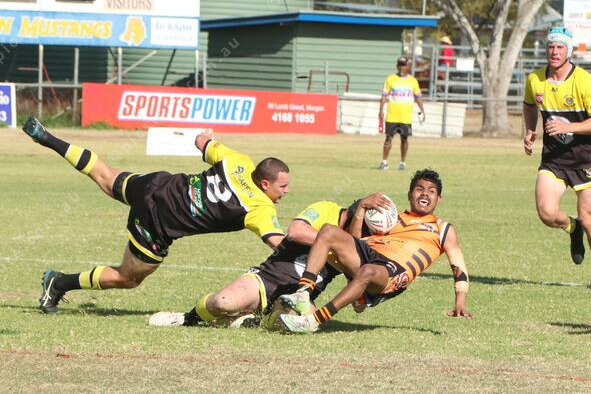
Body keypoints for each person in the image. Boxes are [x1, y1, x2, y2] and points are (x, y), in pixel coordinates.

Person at [22, 116, 290, 314]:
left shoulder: (239, 161)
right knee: (128, 278)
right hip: (156, 222)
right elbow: (281, 245)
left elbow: (201, 141)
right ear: (265, 183)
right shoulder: (260, 209)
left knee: (106, 176)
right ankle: (59, 282)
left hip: (158, 185)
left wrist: (207, 135)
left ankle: (47, 138)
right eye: (283, 187)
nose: (286, 192)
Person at [147, 195, 390, 328]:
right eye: (364, 230)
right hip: (268, 278)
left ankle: (253, 320)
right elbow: (295, 231)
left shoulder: (355, 244)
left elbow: (358, 293)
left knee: (300, 324)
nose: (363, 238)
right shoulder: (326, 209)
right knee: (222, 302)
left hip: (299, 297)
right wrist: (329, 242)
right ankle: (187, 318)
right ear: (353, 214)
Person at [276, 169, 472, 333]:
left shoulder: (443, 229)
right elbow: (356, 241)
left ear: (438, 199)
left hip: (394, 270)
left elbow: (458, 266)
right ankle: (303, 294)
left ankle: (314, 320)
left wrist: (460, 302)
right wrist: (361, 208)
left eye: (431, 191)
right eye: (419, 189)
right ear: (409, 194)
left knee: (368, 270)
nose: (424, 194)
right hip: (370, 255)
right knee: (328, 230)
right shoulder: (390, 218)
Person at [523, 26, 591, 288]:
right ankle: (573, 227)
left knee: (589, 218)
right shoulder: (535, 79)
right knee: (547, 213)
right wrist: (530, 130)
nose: (554, 52)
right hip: (553, 160)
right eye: (551, 47)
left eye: (560, 47)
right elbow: (529, 105)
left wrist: (568, 126)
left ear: (568, 51)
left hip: (584, 161)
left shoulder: (584, 81)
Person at [378, 55, 425, 171]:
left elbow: (418, 96)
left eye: (403, 65)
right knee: (388, 138)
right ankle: (384, 161)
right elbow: (384, 96)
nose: (401, 67)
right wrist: (381, 110)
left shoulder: (413, 81)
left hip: (405, 116)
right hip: (392, 115)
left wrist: (422, 110)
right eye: (399, 65)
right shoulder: (390, 79)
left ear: (408, 66)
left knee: (404, 139)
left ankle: (402, 162)